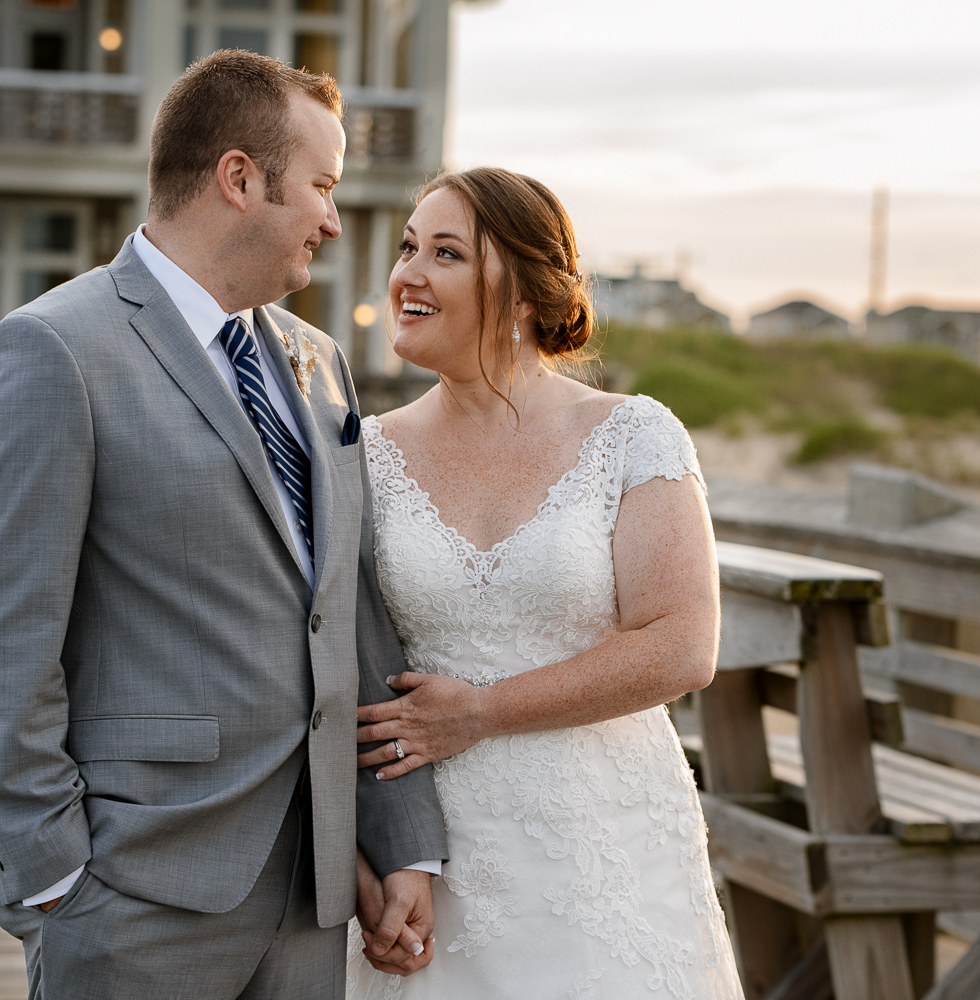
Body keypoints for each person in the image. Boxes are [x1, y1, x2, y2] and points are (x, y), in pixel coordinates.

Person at [0, 50, 447, 1000]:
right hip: (132, 894)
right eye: (322, 187)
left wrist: (400, 837)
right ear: (240, 178)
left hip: (312, 893)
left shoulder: (319, 361)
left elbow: (350, 610)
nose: (335, 222)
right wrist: (54, 876)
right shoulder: (53, 350)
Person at [346, 167, 744, 999]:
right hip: (434, 857)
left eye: (445, 253)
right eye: (408, 246)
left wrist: (481, 711)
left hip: (601, 844)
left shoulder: (631, 435)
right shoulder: (361, 456)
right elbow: (335, 663)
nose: (408, 274)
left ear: (525, 291)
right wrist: (370, 856)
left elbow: (681, 646)